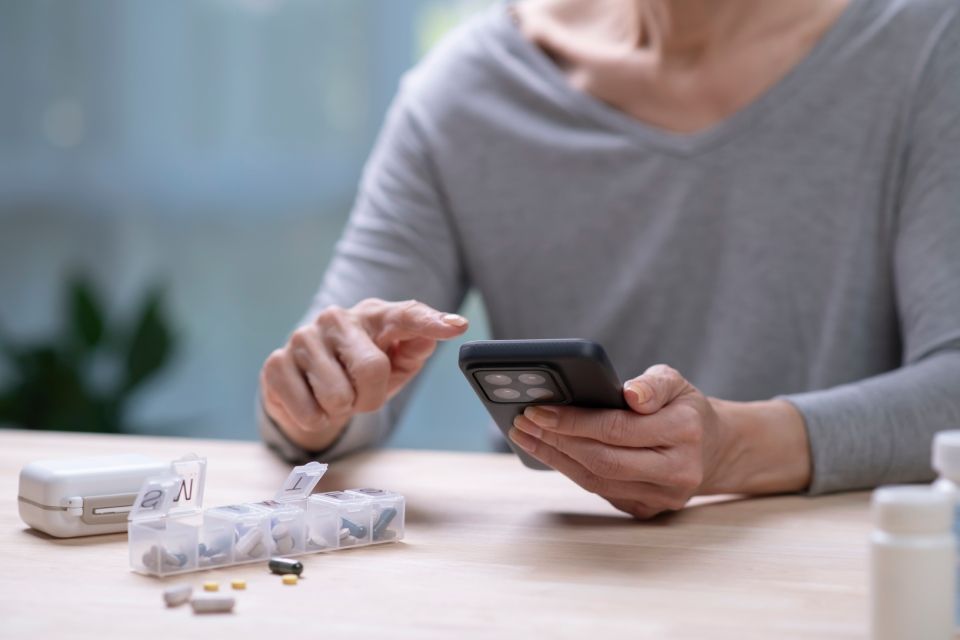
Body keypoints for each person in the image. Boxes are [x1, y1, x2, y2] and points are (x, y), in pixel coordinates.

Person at [258, 0, 960, 519]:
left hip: (835, 582)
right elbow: (332, 392)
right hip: (561, 579)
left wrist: (735, 448)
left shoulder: (927, 46)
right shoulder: (462, 91)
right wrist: (315, 398)